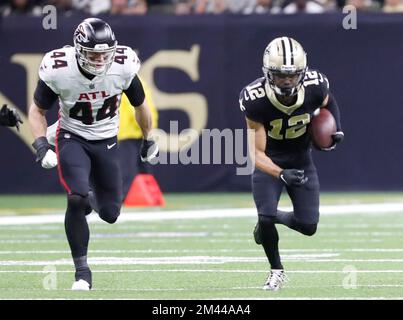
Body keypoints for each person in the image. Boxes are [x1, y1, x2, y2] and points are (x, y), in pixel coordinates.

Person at [28, 17, 158, 291]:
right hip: (71, 136)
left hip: (107, 139)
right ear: (78, 50)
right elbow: (38, 110)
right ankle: (82, 272)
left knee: (110, 213)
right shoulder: (59, 67)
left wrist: (148, 138)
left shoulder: (123, 64)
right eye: (93, 54)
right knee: (76, 197)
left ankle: (89, 199)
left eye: (104, 54)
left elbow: (141, 105)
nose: (100, 60)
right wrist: (41, 144)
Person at [239, 37, 344, 291]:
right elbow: (256, 153)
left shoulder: (316, 87)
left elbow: (329, 102)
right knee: (264, 216)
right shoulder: (255, 99)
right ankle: (276, 271)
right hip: (271, 160)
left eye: (293, 75)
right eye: (280, 75)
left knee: (308, 226)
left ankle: (272, 218)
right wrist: (281, 173)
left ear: (303, 72)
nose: (287, 81)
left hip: (301, 158)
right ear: (268, 73)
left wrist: (336, 129)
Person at [118, 80, 159, 199]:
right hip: (128, 134)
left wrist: (148, 129)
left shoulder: (137, 81)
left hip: (140, 133)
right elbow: (137, 108)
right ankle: (122, 197)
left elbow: (147, 106)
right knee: (128, 168)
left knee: (143, 168)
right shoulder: (126, 80)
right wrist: (147, 127)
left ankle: (148, 197)